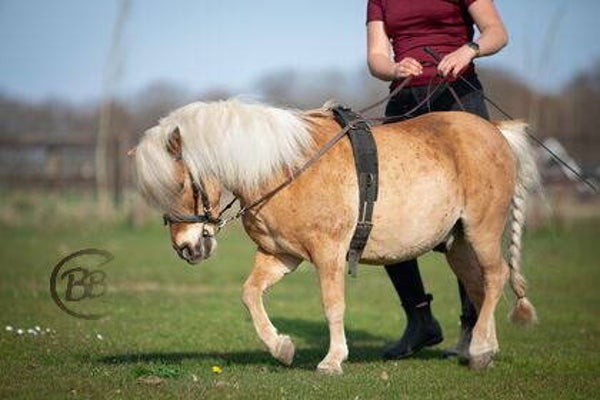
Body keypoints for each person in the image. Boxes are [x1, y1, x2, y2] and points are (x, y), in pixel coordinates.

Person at [366, 0, 509, 359]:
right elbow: (376, 57)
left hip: (458, 98)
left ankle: (472, 327)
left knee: (470, 225)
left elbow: (497, 32)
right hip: (405, 104)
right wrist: (394, 68)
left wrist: (469, 49)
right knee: (386, 214)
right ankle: (420, 321)